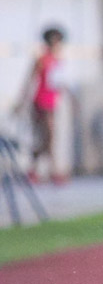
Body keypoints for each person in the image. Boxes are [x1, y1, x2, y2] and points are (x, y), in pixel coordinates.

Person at [14, 26, 66, 185]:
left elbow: (59, 83)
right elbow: (30, 80)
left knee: (46, 139)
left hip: (52, 102)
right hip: (41, 102)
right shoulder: (42, 59)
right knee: (48, 136)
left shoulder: (58, 60)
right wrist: (21, 102)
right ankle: (54, 171)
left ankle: (33, 169)